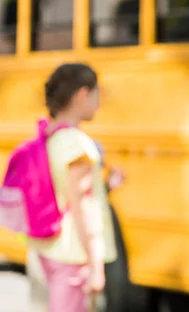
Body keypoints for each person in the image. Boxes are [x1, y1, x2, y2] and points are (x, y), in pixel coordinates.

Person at [27, 63, 117, 312]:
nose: (99, 104)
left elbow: (62, 190)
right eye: (97, 95)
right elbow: (83, 207)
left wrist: (106, 185)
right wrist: (96, 266)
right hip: (73, 254)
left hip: (48, 247)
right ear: (82, 95)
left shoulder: (51, 137)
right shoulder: (78, 145)